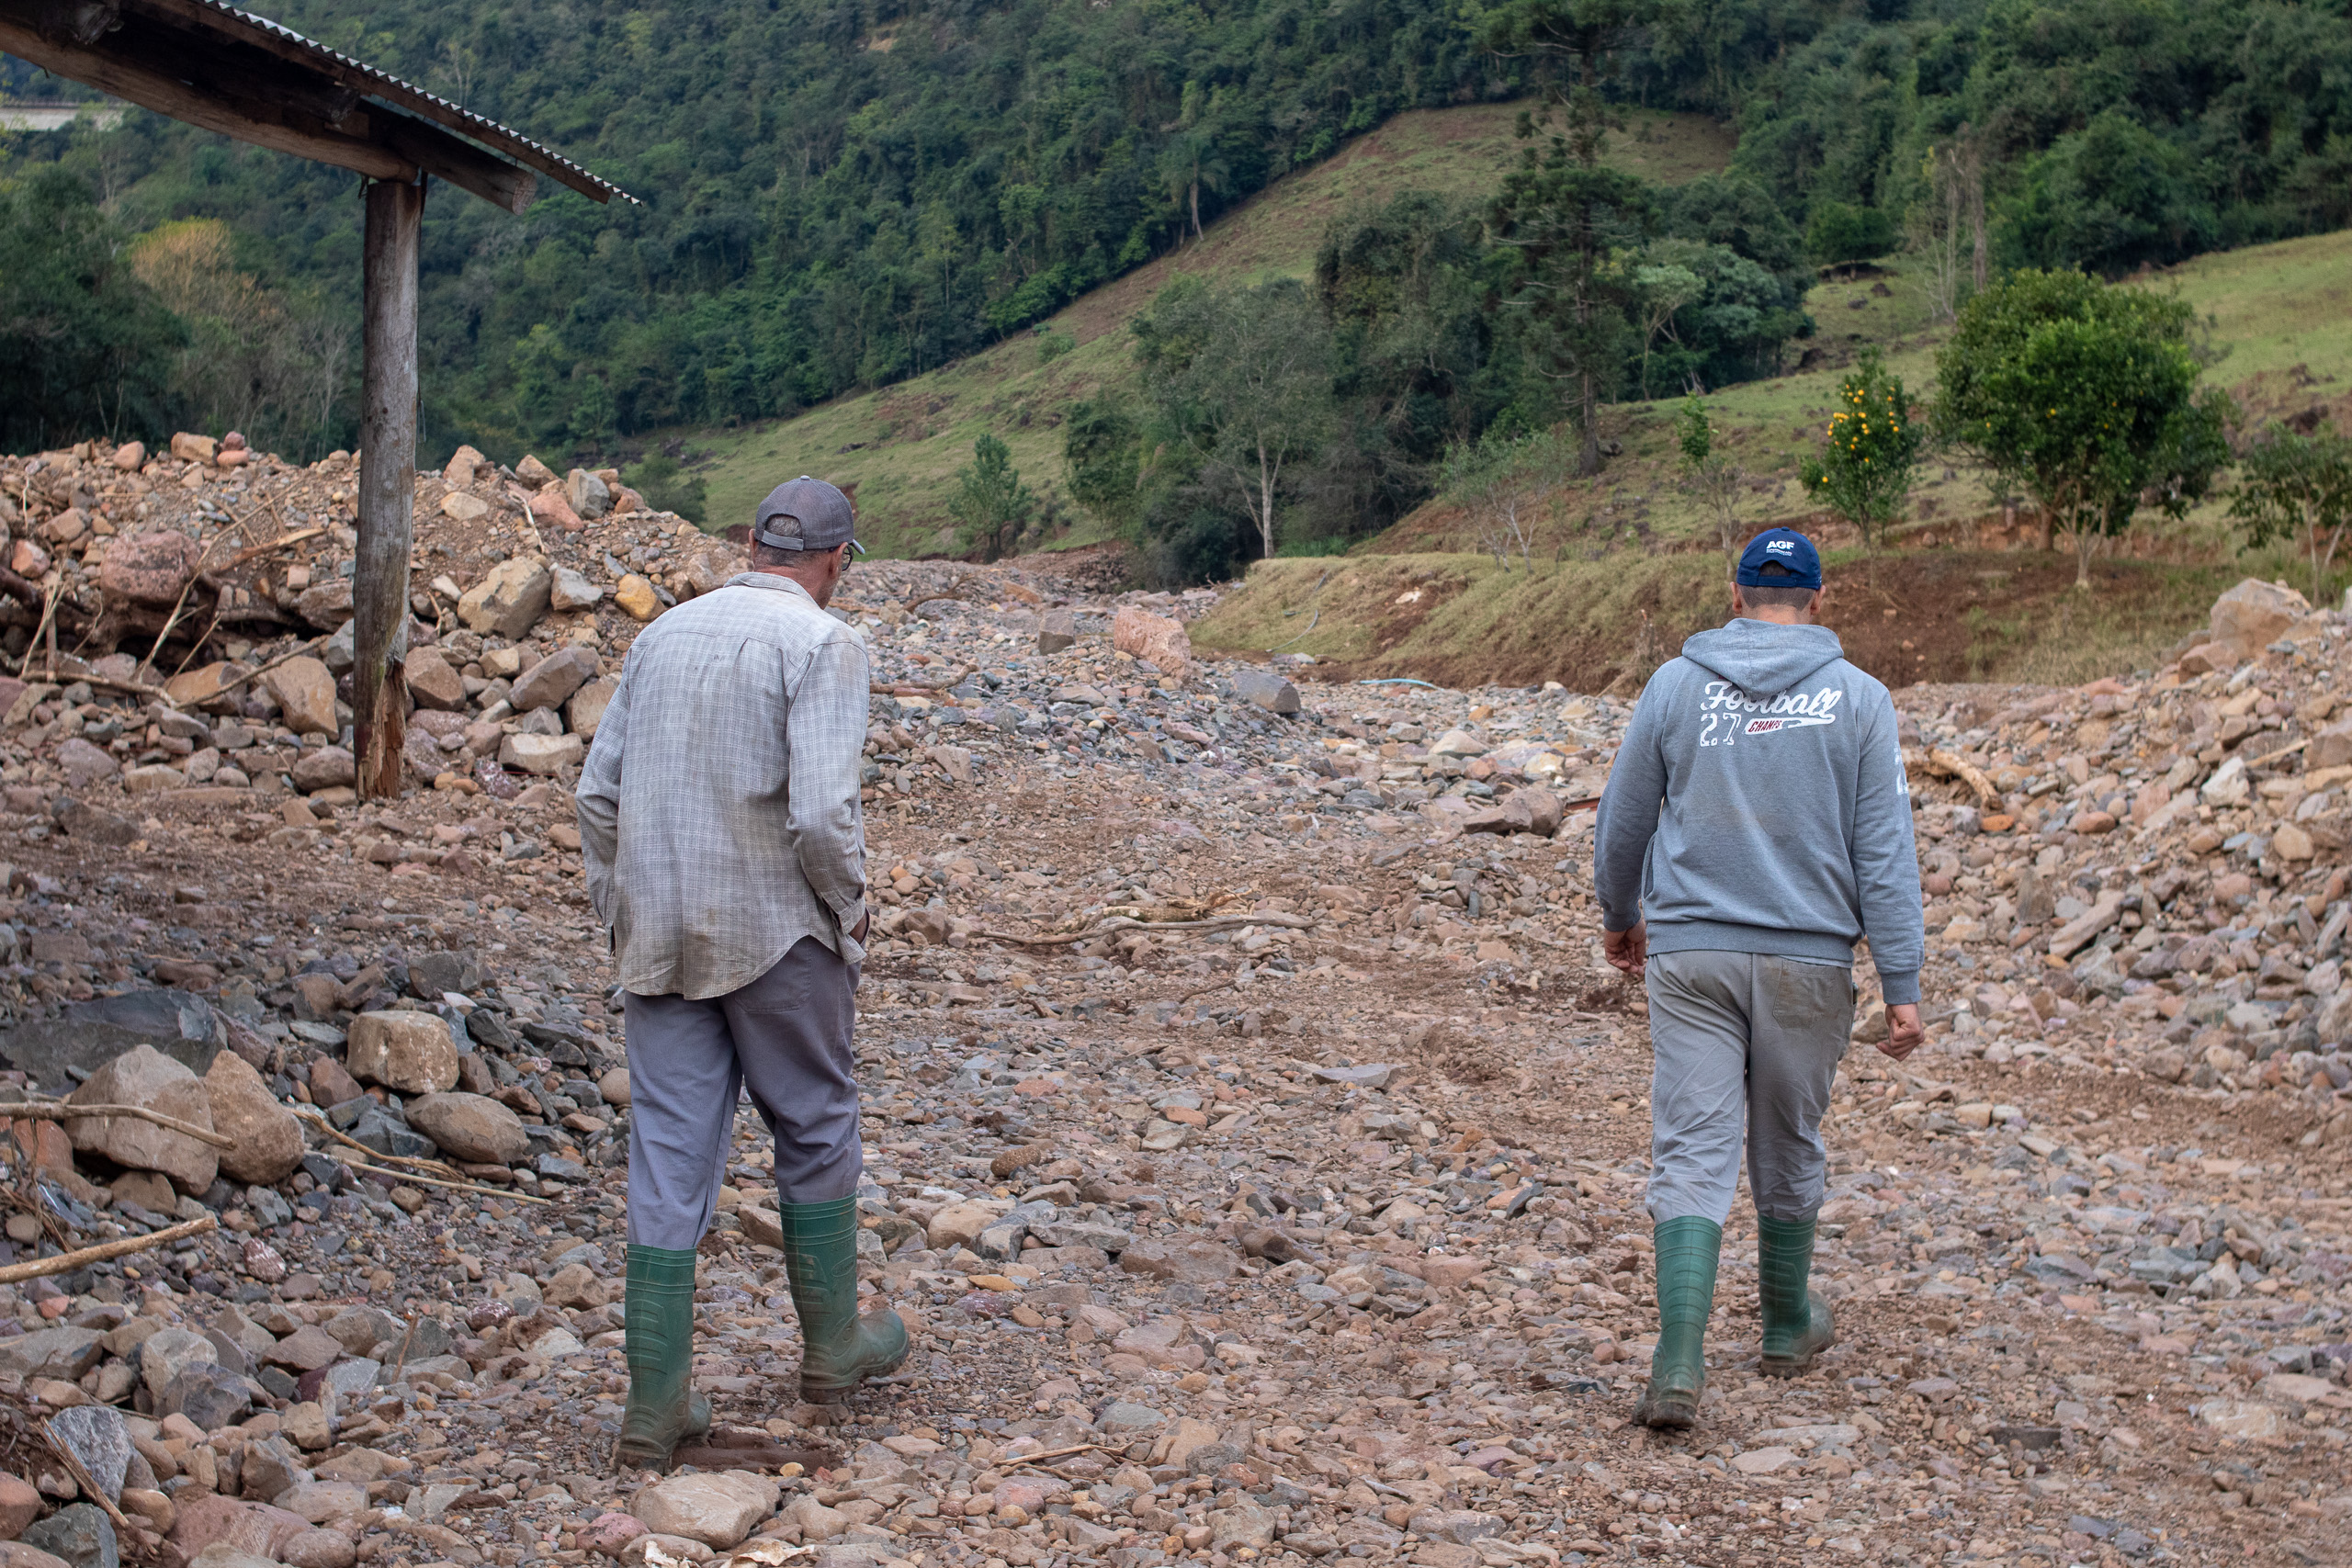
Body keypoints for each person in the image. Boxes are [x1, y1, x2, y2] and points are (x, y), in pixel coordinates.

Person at [577, 476, 907, 1472]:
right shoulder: (823, 642)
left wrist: (620, 906)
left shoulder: (662, 635)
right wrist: (847, 907)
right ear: (836, 561)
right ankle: (833, 1349)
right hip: (775, 935)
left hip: (660, 933)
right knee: (812, 1121)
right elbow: (818, 815)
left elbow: (598, 797)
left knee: (670, 1153)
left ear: (751, 546)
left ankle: (655, 1406)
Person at [1592, 526, 1927, 1430]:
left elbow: (1623, 818)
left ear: (1733, 595)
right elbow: (1883, 852)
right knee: (1788, 1138)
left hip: (1692, 955)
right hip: (1808, 960)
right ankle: (1784, 1324)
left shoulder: (1673, 685)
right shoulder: (1861, 701)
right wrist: (1901, 981)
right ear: (1819, 602)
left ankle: (1677, 1359)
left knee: (1693, 1145)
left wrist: (1620, 916)